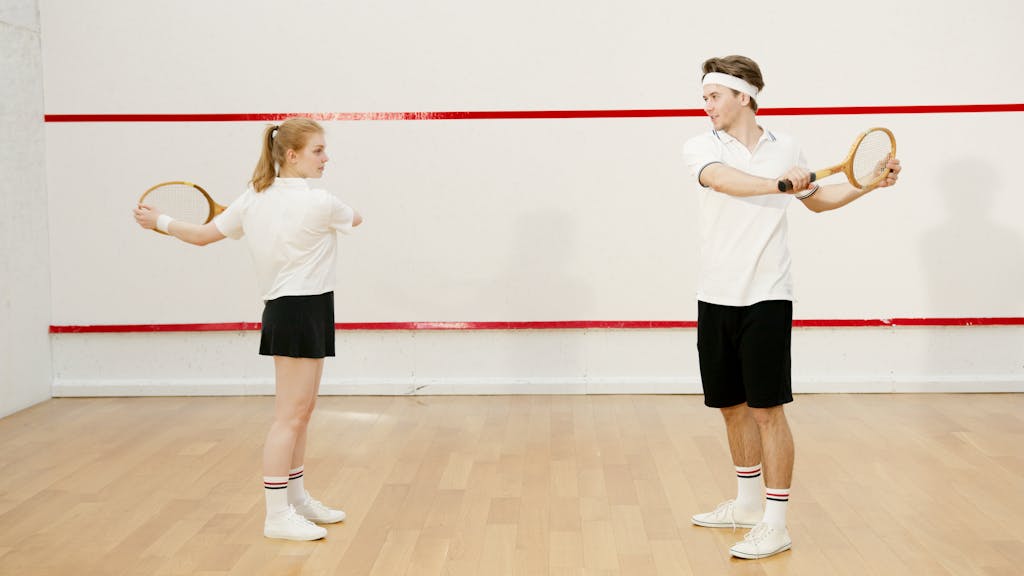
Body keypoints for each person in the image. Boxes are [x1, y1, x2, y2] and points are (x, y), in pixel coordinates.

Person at [681, 55, 901, 559]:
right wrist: (779, 184)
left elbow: (817, 201)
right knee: (732, 408)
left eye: (714, 96)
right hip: (715, 294)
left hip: (768, 295)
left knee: (765, 410)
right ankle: (746, 504)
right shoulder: (700, 146)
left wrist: (869, 183)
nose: (706, 105)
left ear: (743, 96)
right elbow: (721, 180)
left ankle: (776, 523)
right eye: (705, 97)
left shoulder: (788, 148)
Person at [133, 117, 364, 541]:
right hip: (295, 310)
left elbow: (202, 235)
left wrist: (161, 222)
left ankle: (296, 500)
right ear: (291, 155)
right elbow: (357, 219)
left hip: (310, 307)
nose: (326, 158)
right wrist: (164, 222)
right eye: (318, 151)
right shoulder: (319, 201)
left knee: (302, 412)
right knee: (288, 417)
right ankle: (276, 515)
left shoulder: (253, 200)